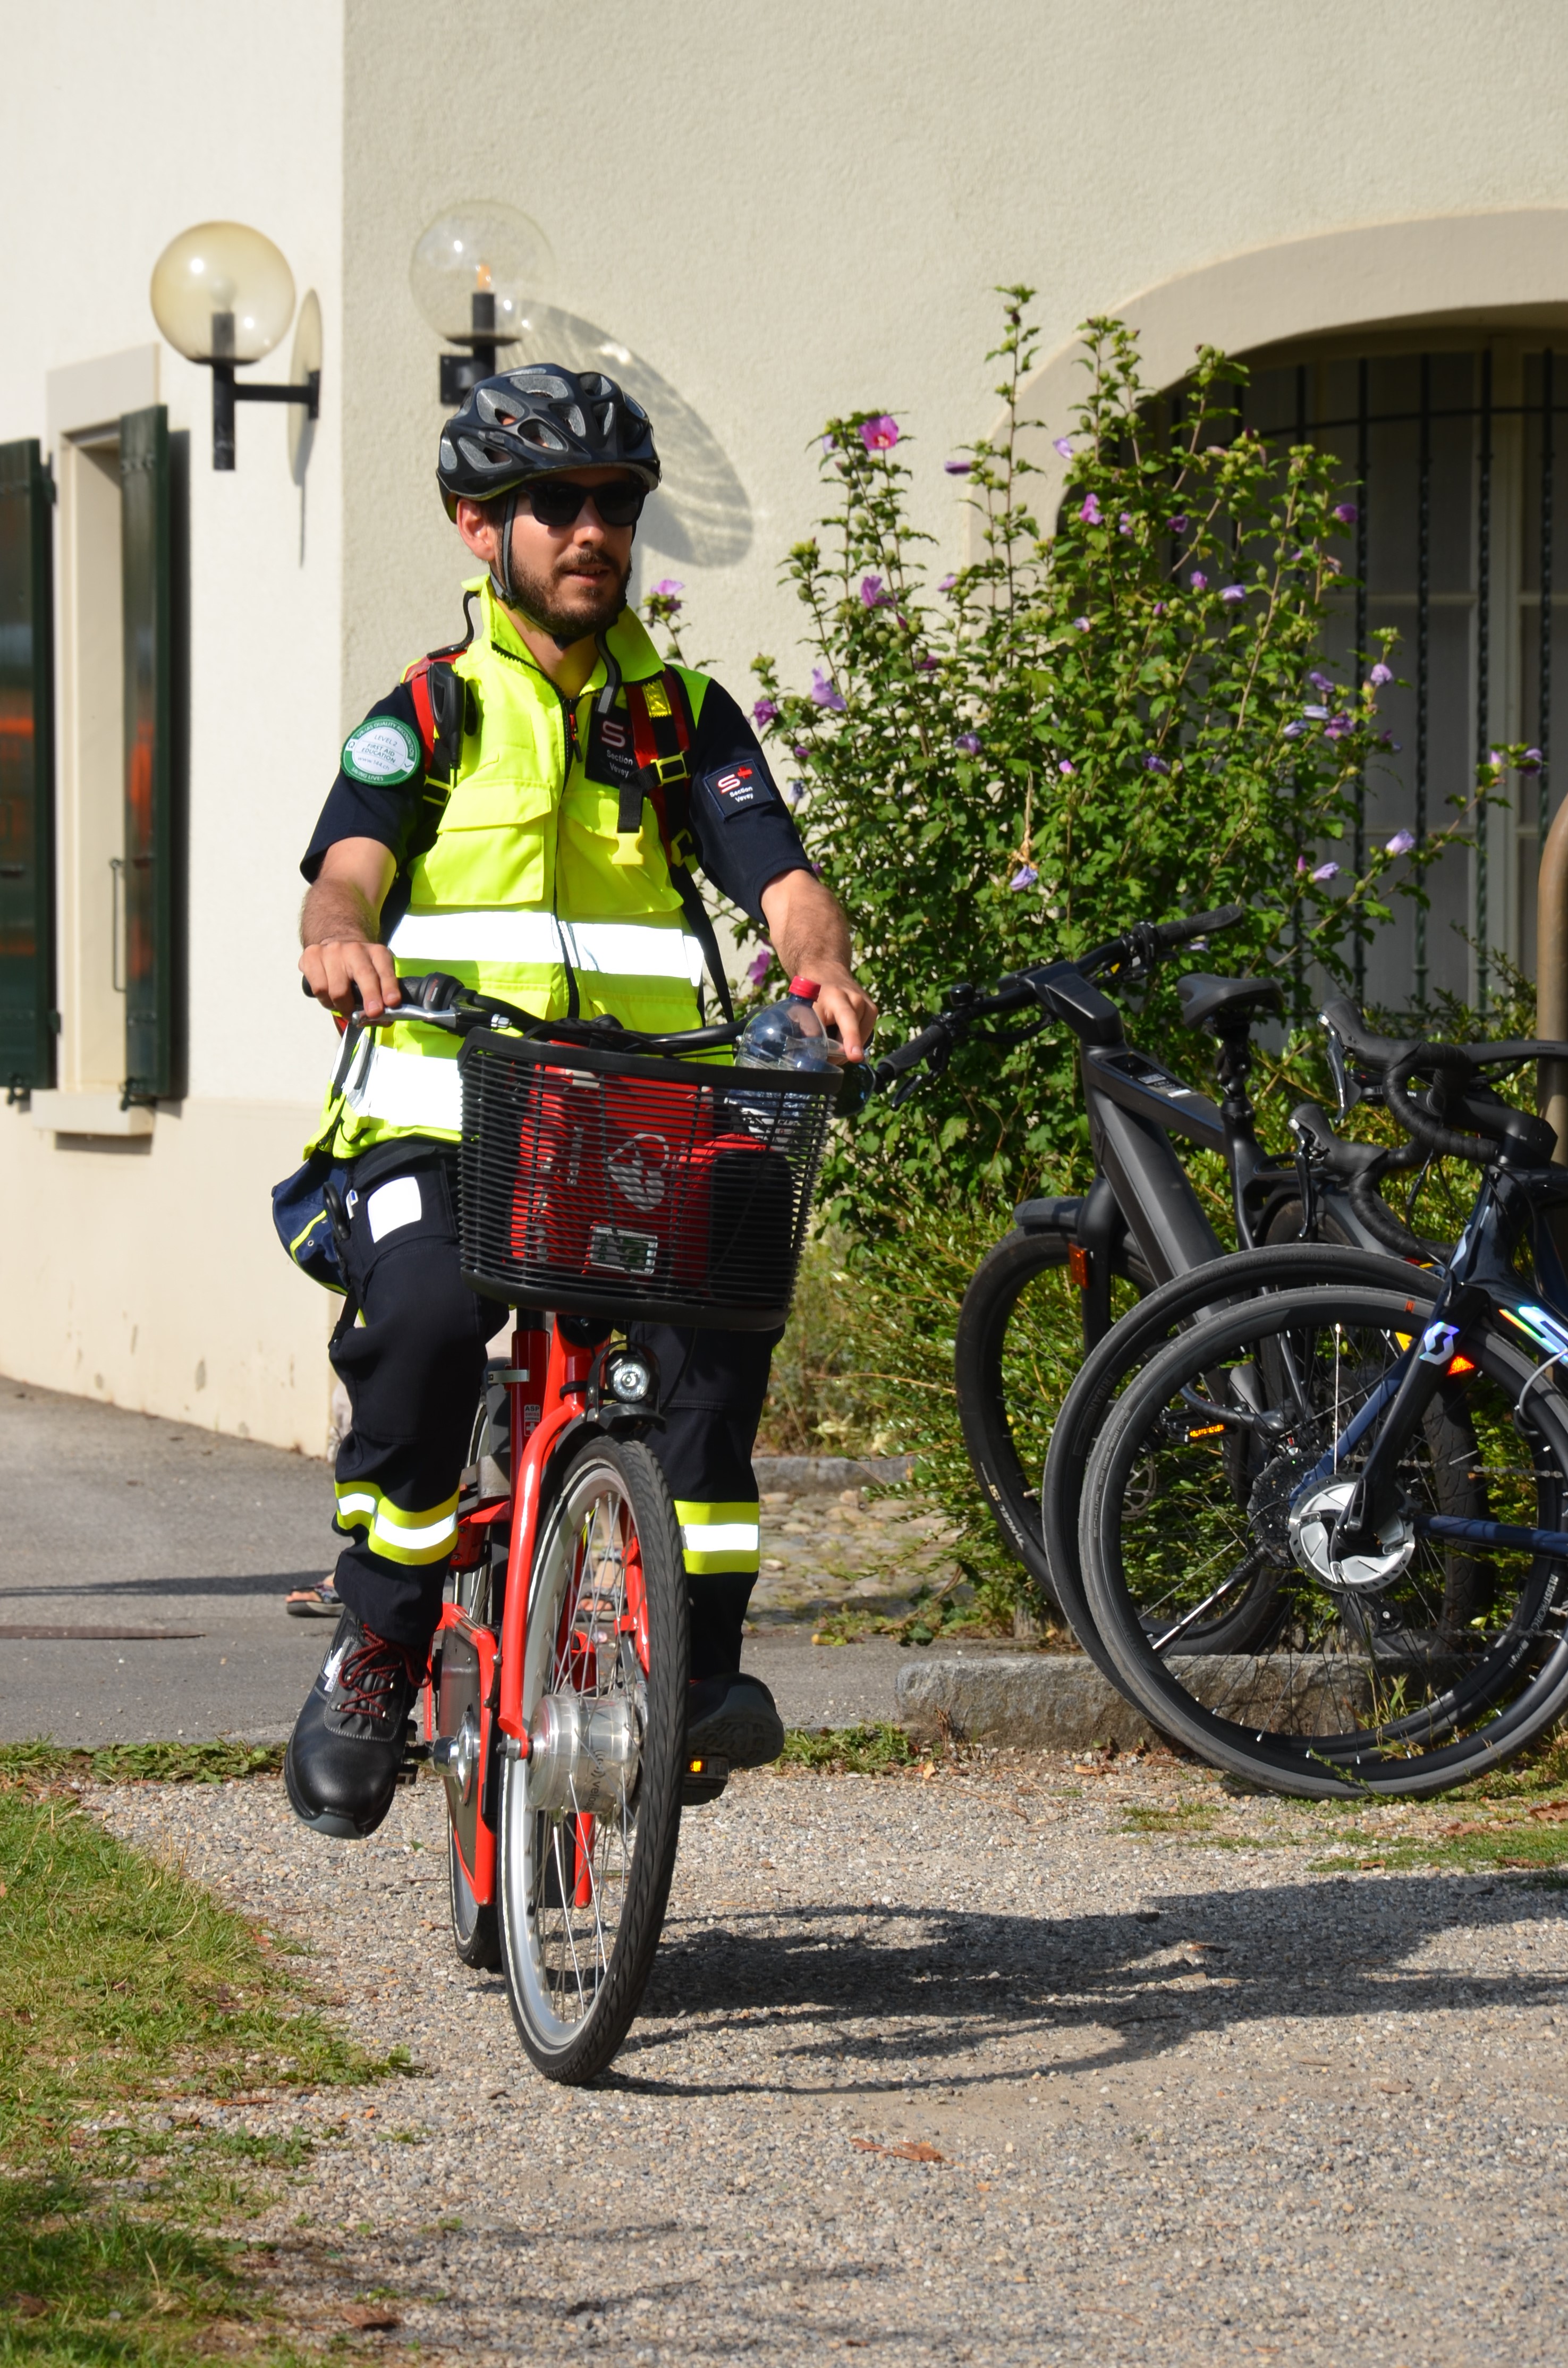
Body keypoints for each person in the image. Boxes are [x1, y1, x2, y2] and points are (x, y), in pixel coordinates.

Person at [283, 363, 877, 1841]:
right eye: (556, 503)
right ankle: (379, 1641)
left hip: (634, 1119)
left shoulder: (687, 723)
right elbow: (348, 870)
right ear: (479, 526)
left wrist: (819, 970)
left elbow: (786, 882)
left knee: (726, 1319)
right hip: (441, 1112)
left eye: (615, 502)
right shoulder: (428, 713)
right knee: (426, 1322)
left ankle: (701, 1670)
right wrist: (338, 939)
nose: (593, 529)